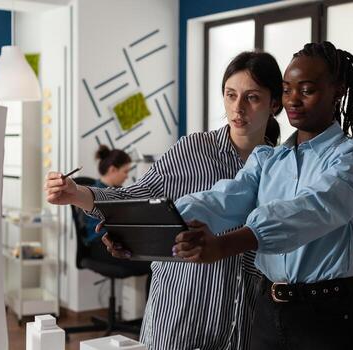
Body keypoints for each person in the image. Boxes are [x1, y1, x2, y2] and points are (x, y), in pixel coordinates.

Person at [45, 51, 283, 349]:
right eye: (230, 95)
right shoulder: (193, 149)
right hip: (180, 311)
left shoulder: (281, 167)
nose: (238, 108)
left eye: (252, 98)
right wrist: (77, 194)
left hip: (242, 321)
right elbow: (132, 197)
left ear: (275, 103)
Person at [173, 41, 353, 350]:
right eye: (286, 90)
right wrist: (152, 222)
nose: (293, 100)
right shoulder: (266, 159)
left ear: (337, 90)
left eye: (306, 90)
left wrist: (227, 244)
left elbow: (313, 208)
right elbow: (225, 198)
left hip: (326, 320)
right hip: (267, 312)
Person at [83, 145, 131, 244]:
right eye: (125, 171)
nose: (127, 176)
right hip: (98, 240)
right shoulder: (97, 194)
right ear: (112, 169)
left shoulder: (118, 192)